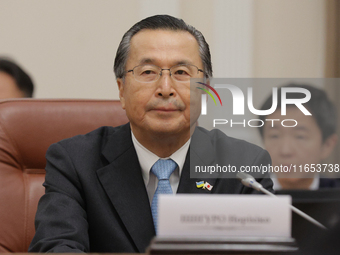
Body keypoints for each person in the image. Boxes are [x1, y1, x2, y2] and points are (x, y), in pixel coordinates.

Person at [29, 15, 273, 253]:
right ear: (122, 89)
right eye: (147, 72)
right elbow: (56, 247)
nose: (165, 89)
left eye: (181, 73)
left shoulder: (244, 165)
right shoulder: (75, 161)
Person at [258, 84, 340, 190]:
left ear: (327, 145)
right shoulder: (246, 196)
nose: (285, 151)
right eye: (274, 136)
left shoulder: (335, 195)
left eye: (300, 137)